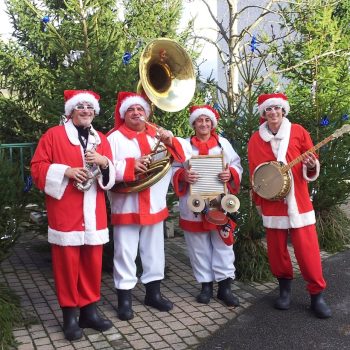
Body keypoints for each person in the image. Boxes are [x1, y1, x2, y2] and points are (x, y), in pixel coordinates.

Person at [31, 90, 116, 340]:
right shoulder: (53, 135)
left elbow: (110, 174)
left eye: (90, 107)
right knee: (67, 266)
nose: (86, 111)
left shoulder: (100, 139)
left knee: (92, 263)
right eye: (80, 106)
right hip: (66, 211)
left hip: (94, 213)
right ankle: (69, 317)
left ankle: (89, 312)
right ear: (71, 111)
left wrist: (103, 162)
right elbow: (37, 168)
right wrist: (65, 171)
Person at [107, 91, 192, 320]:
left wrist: (170, 140)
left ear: (146, 113)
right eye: (131, 110)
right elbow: (104, 168)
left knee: (154, 251)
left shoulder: (157, 132)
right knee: (125, 252)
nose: (136, 113)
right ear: (124, 114)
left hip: (153, 204)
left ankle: (153, 294)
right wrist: (130, 166)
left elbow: (185, 156)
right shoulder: (114, 138)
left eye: (140, 109)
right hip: (127, 205)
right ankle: (124, 300)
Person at [247, 92, 331, 318]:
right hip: (272, 203)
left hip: (298, 201)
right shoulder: (256, 139)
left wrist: (311, 164)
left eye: (277, 108)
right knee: (276, 251)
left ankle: (317, 295)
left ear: (283, 110)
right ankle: (284, 290)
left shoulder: (299, 132)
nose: (273, 113)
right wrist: (259, 200)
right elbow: (254, 174)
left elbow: (312, 162)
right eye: (268, 109)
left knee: (308, 250)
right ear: (263, 114)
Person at [172, 105, 243, 306]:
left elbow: (237, 165)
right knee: (198, 246)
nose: (203, 124)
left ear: (212, 123)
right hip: (193, 203)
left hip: (220, 203)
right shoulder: (184, 146)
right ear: (193, 124)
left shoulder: (223, 144)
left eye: (207, 121)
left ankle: (225, 287)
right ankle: (205, 286)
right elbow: (173, 170)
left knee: (223, 244)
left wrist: (231, 174)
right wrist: (183, 175)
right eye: (199, 121)